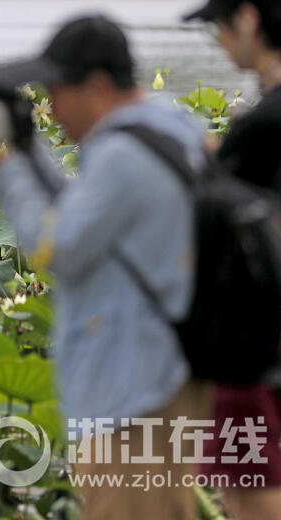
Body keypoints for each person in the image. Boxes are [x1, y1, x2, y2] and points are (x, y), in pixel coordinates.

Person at [0, 15, 211, 519]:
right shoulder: (169, 125)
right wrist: (30, 152)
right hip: (168, 370)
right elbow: (86, 214)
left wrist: (7, 173)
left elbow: (59, 246)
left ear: (96, 86)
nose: (52, 111)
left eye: (57, 93)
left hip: (131, 387)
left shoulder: (121, 153)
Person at [184, 1, 281, 518]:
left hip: (252, 346)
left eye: (217, 28)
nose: (219, 43)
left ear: (248, 19)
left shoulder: (263, 127)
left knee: (250, 493)